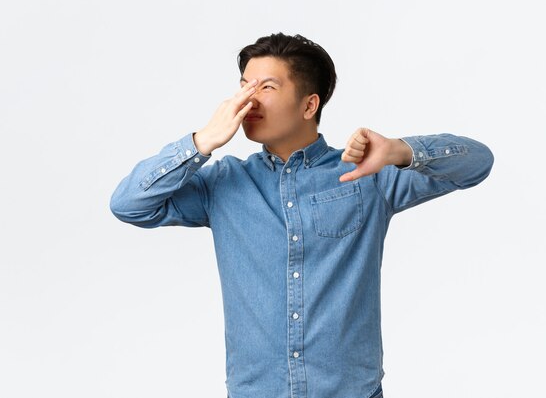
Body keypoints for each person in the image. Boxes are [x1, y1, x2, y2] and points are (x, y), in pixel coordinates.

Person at [110, 32, 494, 398]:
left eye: (267, 87)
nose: (249, 100)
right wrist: (201, 142)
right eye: (245, 85)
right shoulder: (223, 183)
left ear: (310, 105)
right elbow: (129, 205)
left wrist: (399, 150)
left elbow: (477, 163)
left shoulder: (365, 174)